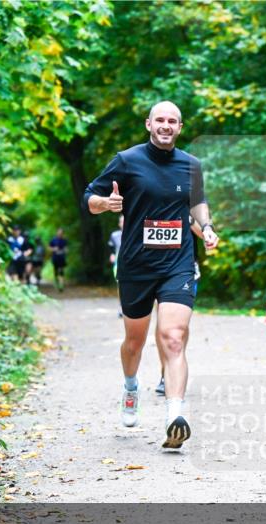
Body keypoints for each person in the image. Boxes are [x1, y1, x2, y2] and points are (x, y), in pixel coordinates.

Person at [83, 100, 219, 449]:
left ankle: (176, 414)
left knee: (174, 336)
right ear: (148, 124)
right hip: (136, 266)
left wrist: (206, 227)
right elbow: (90, 197)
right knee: (135, 341)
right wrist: (106, 204)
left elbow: (197, 201)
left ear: (179, 127)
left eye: (172, 121)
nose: (166, 125)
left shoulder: (191, 165)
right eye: (160, 119)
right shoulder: (127, 161)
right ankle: (131, 387)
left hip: (177, 264)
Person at [156, 218, 204, 396]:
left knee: (179, 326)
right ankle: (164, 372)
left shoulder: (193, 198)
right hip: (154, 265)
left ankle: (174, 365)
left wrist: (186, 216)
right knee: (162, 321)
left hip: (185, 267)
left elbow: (203, 232)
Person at [109, 216, 124, 317]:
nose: (123, 223)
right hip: (119, 264)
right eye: (122, 221)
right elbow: (111, 248)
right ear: (119, 224)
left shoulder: (137, 233)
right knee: (120, 285)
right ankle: (121, 307)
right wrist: (112, 255)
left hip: (134, 264)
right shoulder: (114, 235)